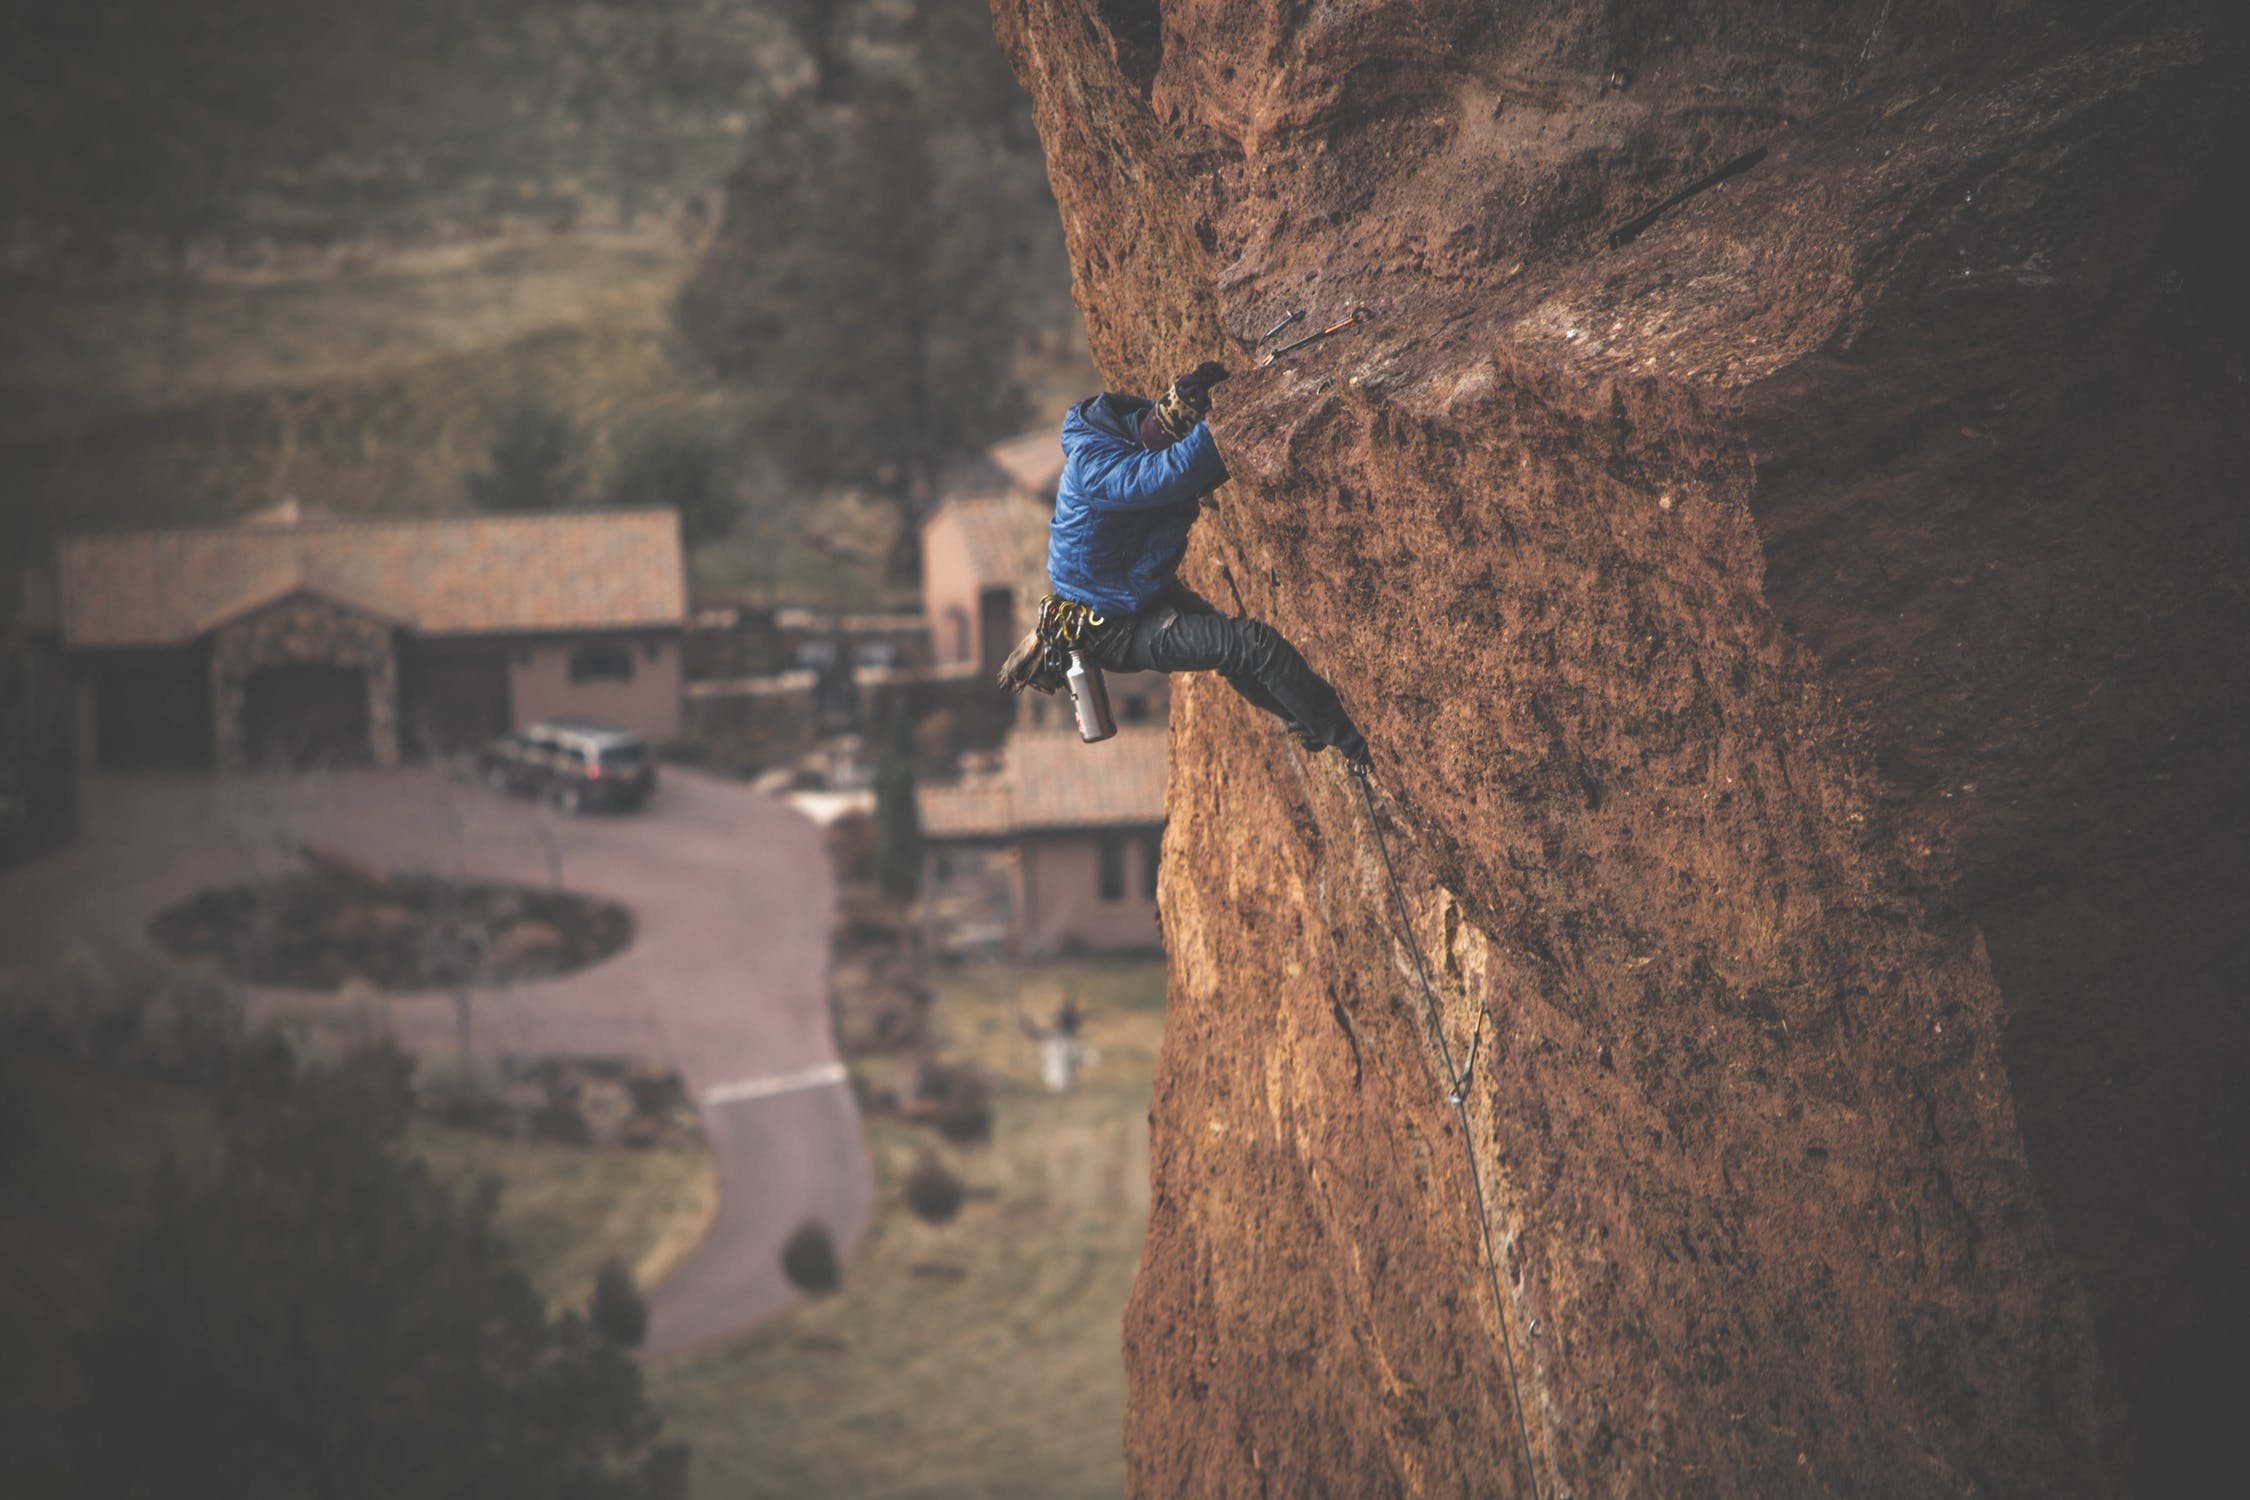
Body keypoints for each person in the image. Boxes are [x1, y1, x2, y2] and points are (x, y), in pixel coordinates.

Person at [1000, 362, 1369, 768]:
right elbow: (1170, 473)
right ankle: (1354, 745)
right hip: (1112, 629)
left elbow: (1170, 460)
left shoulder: (1119, 435)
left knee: (1236, 652)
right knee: (1253, 645)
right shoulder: (1099, 468)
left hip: (1126, 591)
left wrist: (1196, 403)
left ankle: (1307, 720)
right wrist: (1225, 420)